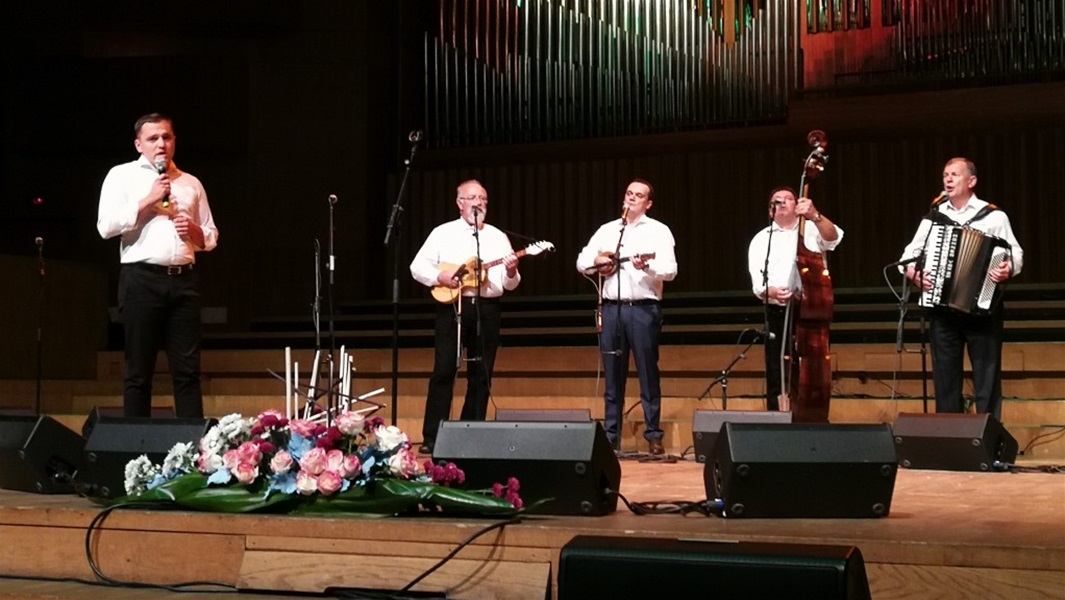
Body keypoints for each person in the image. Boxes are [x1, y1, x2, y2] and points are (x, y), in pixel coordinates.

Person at [97, 113, 219, 419]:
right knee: (139, 372)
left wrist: (194, 231)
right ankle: (136, 445)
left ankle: (193, 445)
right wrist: (148, 200)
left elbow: (210, 235)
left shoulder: (190, 182)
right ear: (139, 144)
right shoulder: (121, 176)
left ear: (174, 141)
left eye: (166, 137)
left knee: (188, 372)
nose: (161, 144)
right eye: (153, 138)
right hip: (142, 280)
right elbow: (105, 226)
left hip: (184, 282)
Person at [899, 157, 1023, 420]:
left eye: (955, 174)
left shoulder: (993, 216)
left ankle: (988, 437)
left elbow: (1016, 254)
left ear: (971, 181)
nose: (948, 179)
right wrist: (914, 273)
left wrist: (1008, 268)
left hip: (982, 309)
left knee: (987, 380)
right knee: (945, 381)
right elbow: (908, 256)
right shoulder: (934, 216)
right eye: (946, 174)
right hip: (943, 310)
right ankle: (949, 437)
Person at [410, 180, 520, 454]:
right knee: (444, 370)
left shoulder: (496, 236)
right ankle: (433, 436)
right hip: (453, 306)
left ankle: (472, 434)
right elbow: (417, 266)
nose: (479, 203)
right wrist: (440, 276)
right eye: (473, 198)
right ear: (460, 203)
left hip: (487, 308)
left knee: (481, 373)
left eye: (483, 198)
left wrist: (510, 271)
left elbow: (509, 284)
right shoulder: (443, 232)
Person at [576, 179, 677, 455]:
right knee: (613, 375)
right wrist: (596, 261)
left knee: (647, 372)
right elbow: (582, 261)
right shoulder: (608, 230)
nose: (632, 198)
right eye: (629, 193)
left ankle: (653, 435)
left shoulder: (658, 231)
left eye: (638, 195)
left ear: (648, 203)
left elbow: (670, 270)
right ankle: (611, 436)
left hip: (643, 309)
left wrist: (648, 267)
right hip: (612, 309)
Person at [746, 187, 842, 412]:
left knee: (811, 369)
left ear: (797, 205)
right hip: (777, 311)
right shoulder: (761, 239)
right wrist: (769, 291)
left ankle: (812, 416)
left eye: (787, 199)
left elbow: (834, 237)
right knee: (777, 370)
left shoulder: (810, 229)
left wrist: (815, 215)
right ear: (770, 211)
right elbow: (758, 283)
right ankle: (777, 418)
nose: (781, 203)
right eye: (776, 201)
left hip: (808, 308)